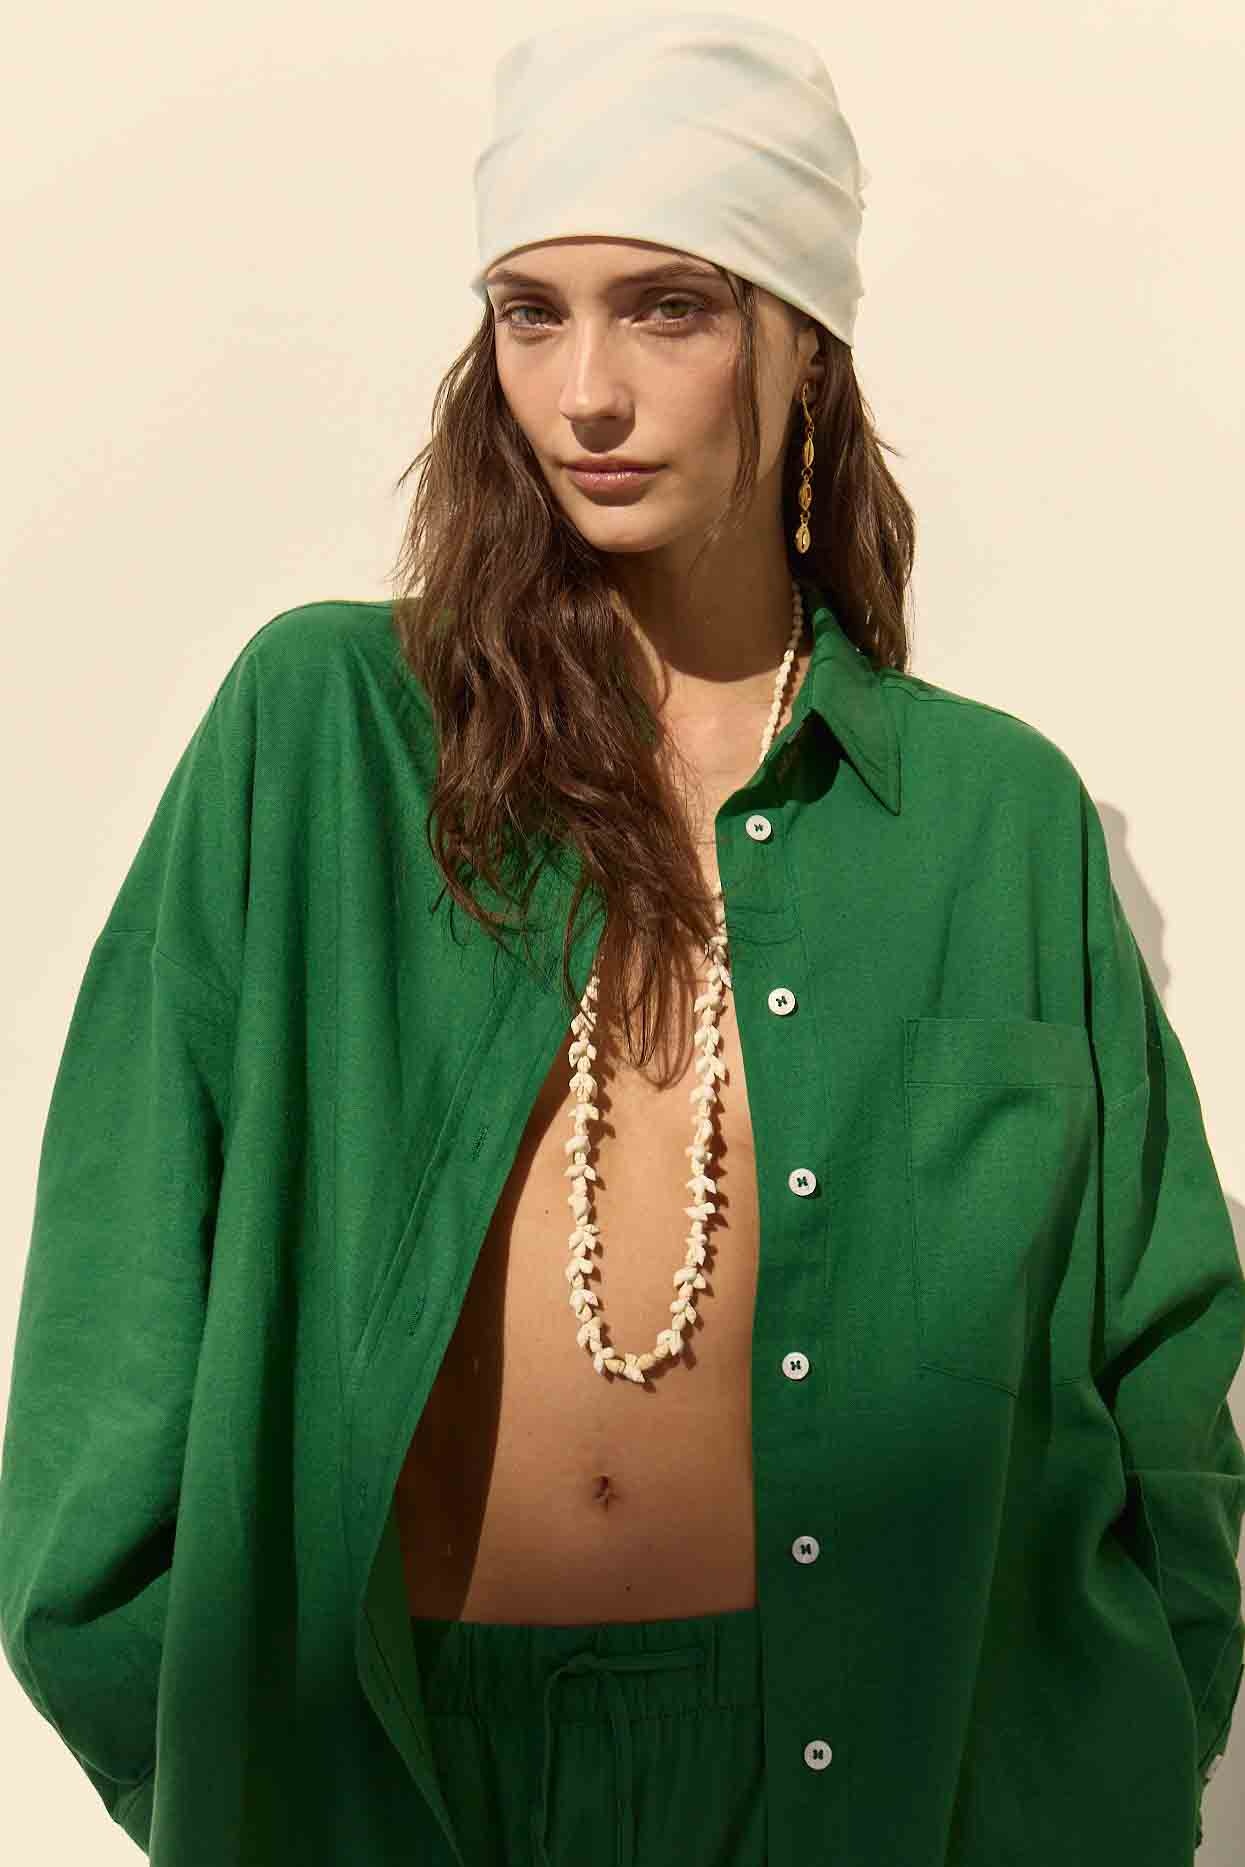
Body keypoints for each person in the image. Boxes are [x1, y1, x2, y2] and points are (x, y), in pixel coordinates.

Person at [1, 14, 1242, 1867]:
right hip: (393, 1769)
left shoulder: (990, 819)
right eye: (531, 313)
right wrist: (209, 1750)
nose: (585, 393)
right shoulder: (325, 736)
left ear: (801, 336)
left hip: (873, 1782)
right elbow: (117, 1294)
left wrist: (1114, 1759)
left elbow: (1160, 1357)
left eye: (667, 308)